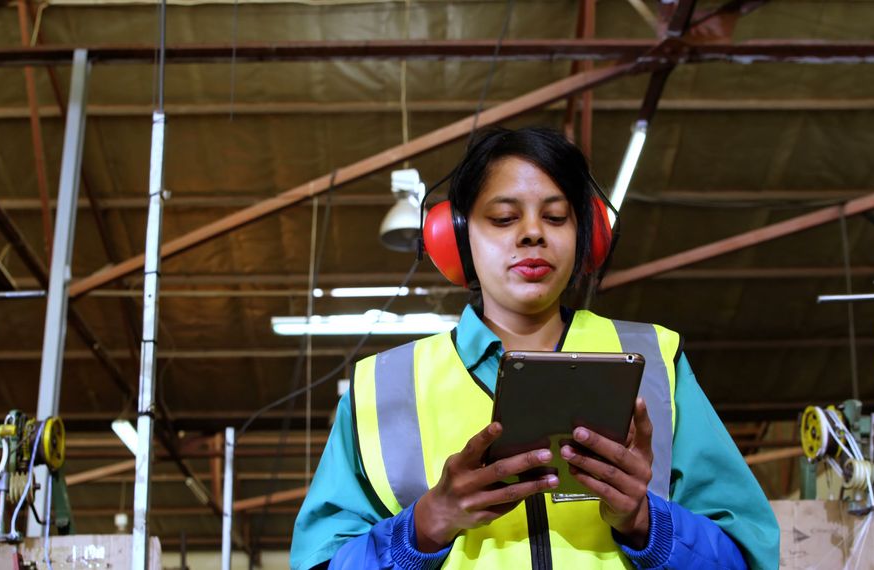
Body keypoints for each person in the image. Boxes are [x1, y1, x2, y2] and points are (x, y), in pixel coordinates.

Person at [291, 127, 779, 569]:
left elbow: (747, 557)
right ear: (458, 238)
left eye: (556, 216)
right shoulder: (382, 387)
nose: (532, 232)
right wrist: (424, 526)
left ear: (586, 235)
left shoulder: (657, 361)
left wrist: (646, 521)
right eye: (503, 217)